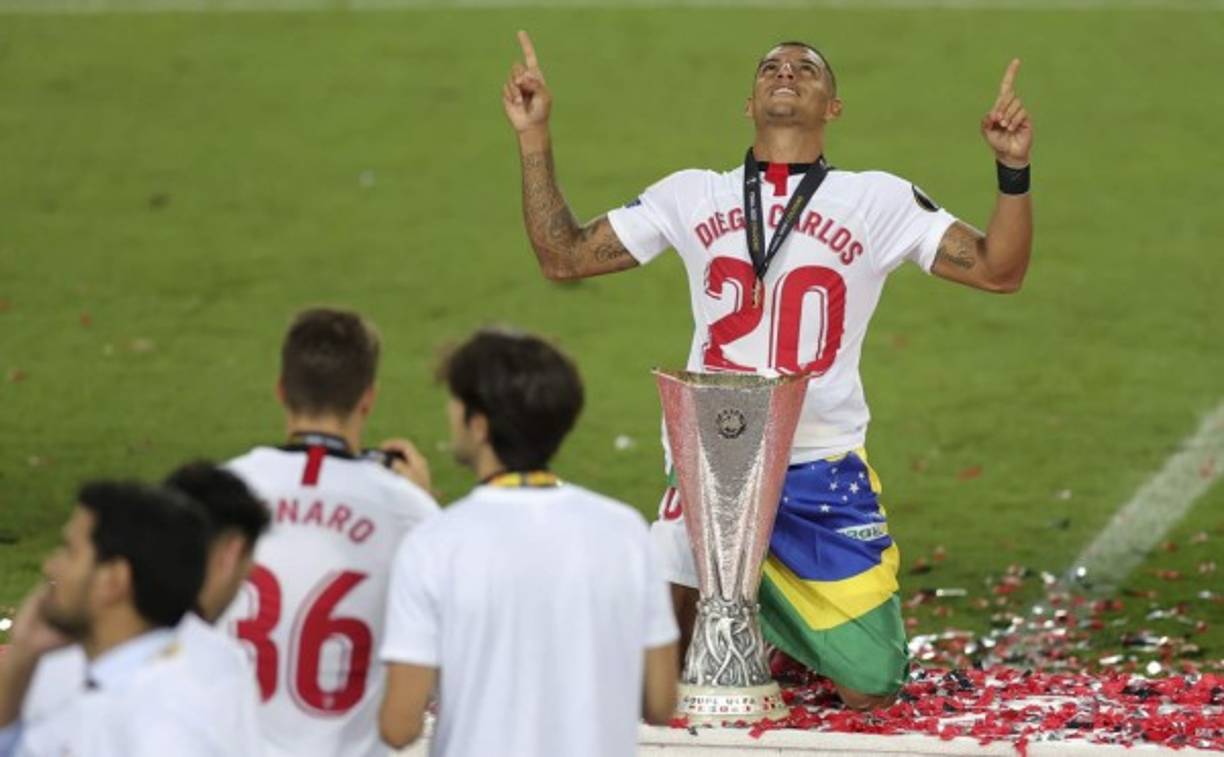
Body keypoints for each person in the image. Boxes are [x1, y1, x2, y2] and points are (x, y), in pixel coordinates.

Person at [503, 32, 1033, 709]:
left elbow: (999, 270)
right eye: (771, 68)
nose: (786, 72)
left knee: (871, 685)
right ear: (748, 102)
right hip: (710, 466)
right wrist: (533, 135)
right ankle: (746, 605)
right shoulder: (689, 194)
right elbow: (564, 257)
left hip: (820, 468)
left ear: (833, 106)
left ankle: (767, 616)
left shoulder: (880, 200)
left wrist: (1012, 172)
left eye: (806, 68)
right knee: (655, 691)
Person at [378, 328, 679, 757]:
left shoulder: (433, 545)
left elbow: (398, 725)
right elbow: (660, 701)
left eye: (456, 402)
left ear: (478, 425)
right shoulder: (624, 533)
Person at [221, 306, 439, 757]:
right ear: (368, 398)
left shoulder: (217, 495)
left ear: (281, 390)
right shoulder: (408, 512)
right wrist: (428, 504)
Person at [17, 462, 270, 741]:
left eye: (69, 551)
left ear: (116, 579)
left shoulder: (166, 712)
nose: (51, 567)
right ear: (231, 554)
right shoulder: (211, 670)